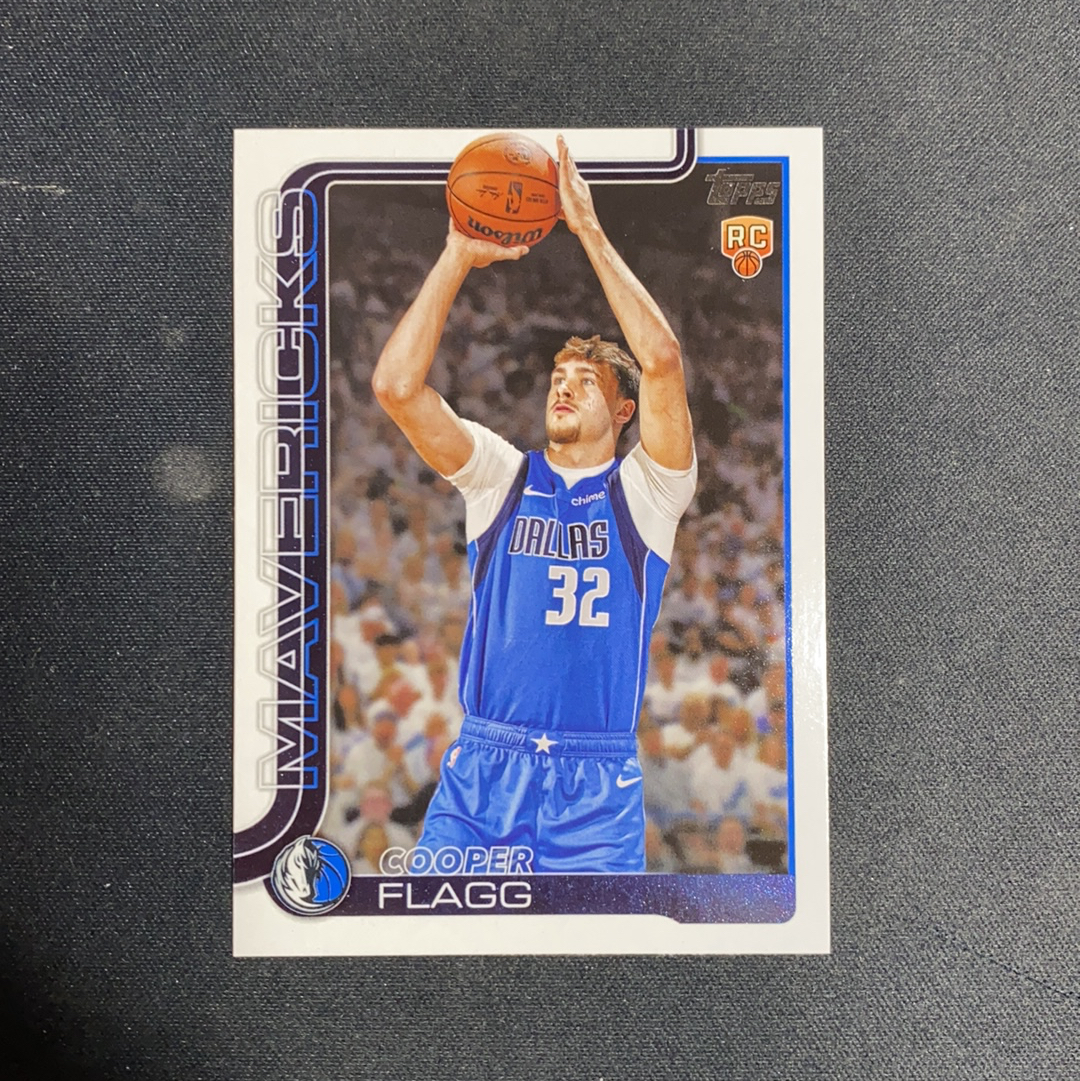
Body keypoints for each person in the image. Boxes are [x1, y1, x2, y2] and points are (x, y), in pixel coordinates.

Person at [370, 135, 696, 872]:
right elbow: (395, 387)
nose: (564, 387)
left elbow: (662, 360)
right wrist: (457, 253)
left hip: (595, 786)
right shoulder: (502, 477)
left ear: (623, 411)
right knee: (426, 937)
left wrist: (588, 229)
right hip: (484, 774)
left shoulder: (648, 492)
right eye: (558, 377)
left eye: (585, 381)